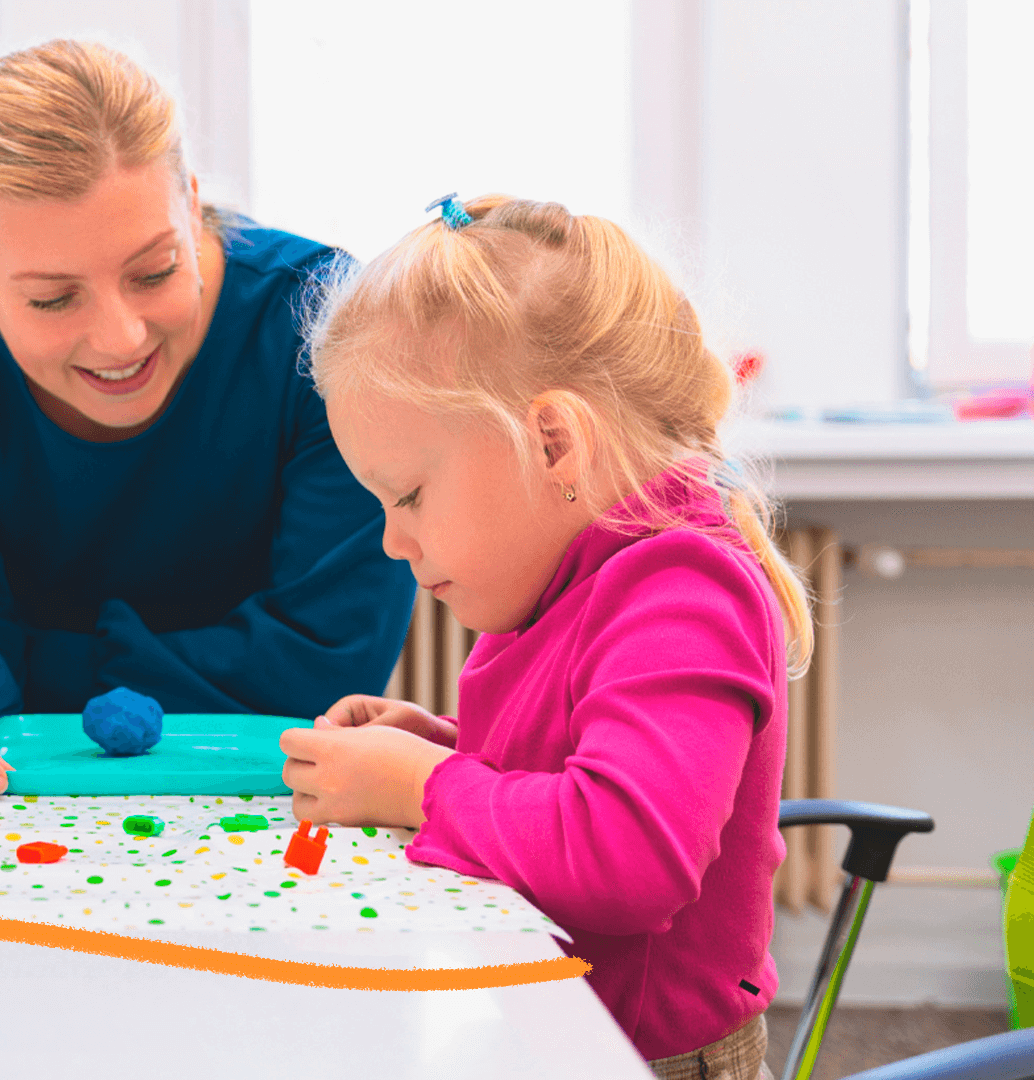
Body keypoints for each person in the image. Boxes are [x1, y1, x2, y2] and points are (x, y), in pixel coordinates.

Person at [282, 193, 803, 1078]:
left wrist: (428, 787)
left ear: (553, 441)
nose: (390, 541)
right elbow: (581, 769)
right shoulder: (568, 570)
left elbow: (628, 855)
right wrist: (443, 746)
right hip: (552, 1035)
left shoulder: (682, 590)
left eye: (407, 496)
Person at [0, 39, 415, 797]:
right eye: (52, 298)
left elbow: (325, 665)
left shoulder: (326, 329)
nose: (121, 339)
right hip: (1, 813)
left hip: (277, 801)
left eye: (155, 270)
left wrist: (14, 665)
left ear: (192, 202)